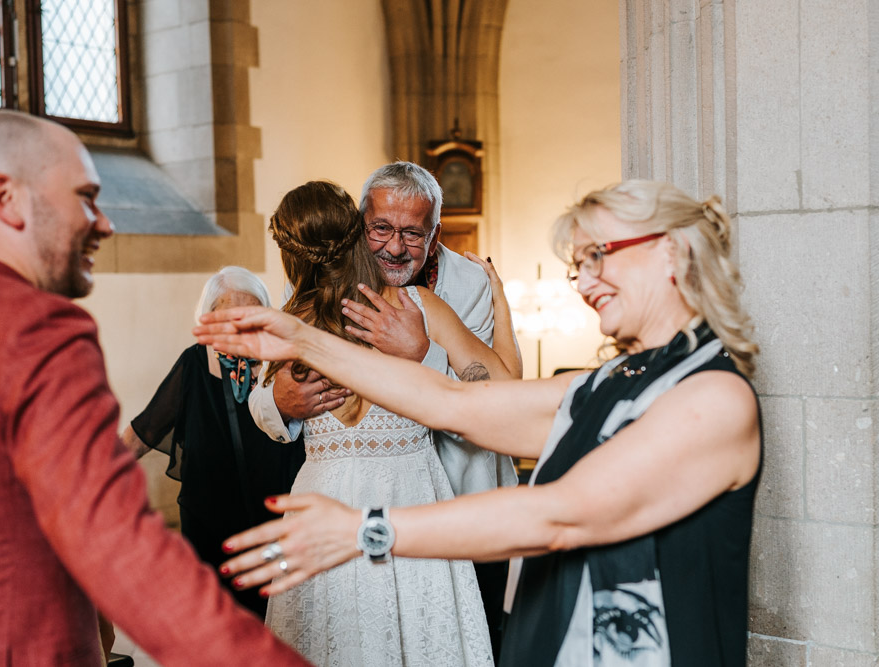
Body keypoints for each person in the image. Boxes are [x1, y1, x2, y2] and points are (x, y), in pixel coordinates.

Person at [199, 180, 762, 666]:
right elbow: (452, 404)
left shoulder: (712, 396)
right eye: (578, 263)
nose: (584, 282)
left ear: (672, 254)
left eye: (600, 254)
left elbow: (558, 517)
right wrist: (300, 337)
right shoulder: (610, 381)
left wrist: (362, 530)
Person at [0, 110, 307, 666]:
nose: (104, 223)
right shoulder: (38, 331)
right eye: (85, 197)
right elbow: (122, 550)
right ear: (5, 199)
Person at [247, 161, 519, 653]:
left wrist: (421, 354)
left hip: (444, 494)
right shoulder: (305, 297)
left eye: (413, 234)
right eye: (381, 229)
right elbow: (266, 395)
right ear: (357, 226)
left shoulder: (463, 286)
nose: (396, 246)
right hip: (328, 491)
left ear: (434, 235)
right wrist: (282, 402)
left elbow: (503, 396)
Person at [120, 266, 305, 617]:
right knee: (217, 619)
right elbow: (145, 430)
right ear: (207, 319)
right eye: (226, 317)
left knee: (277, 618)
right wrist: (88, 475)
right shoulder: (194, 363)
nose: (238, 327)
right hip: (210, 519)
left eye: (249, 315)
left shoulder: (278, 363)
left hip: (274, 518)